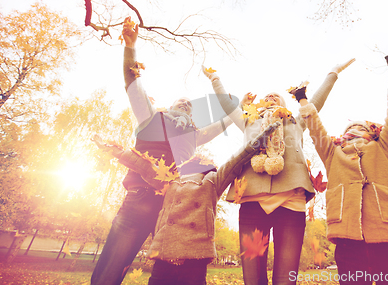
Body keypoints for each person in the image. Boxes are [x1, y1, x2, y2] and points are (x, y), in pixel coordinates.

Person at [90, 18, 234, 285]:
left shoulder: (194, 135)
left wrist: (241, 110)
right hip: (140, 198)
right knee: (111, 268)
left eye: (190, 105)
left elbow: (224, 123)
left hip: (176, 208)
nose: (186, 103)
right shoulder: (149, 118)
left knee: (168, 275)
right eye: (181, 101)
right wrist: (130, 48)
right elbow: (133, 83)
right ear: (169, 106)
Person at [202, 59, 355, 285]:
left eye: (276, 95)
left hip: (291, 201)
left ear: (286, 102)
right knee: (253, 278)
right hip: (253, 201)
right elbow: (227, 104)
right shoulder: (248, 120)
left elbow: (316, 103)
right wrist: (215, 79)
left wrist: (333, 72)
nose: (272, 96)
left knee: (285, 277)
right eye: (268, 96)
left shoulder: (296, 121)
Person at [94, 122, 280, 285]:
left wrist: (260, 138)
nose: (196, 160)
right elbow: (142, 165)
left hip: (195, 255)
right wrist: (114, 150)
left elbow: (236, 160)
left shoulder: (213, 181)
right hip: (164, 253)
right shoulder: (169, 180)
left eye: (201, 160)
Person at [293, 56, 388, 285]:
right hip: (348, 238)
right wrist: (302, 99)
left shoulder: (384, 147)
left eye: (360, 127)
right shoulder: (333, 153)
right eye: (350, 128)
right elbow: (315, 126)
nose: (355, 129)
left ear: (372, 131)